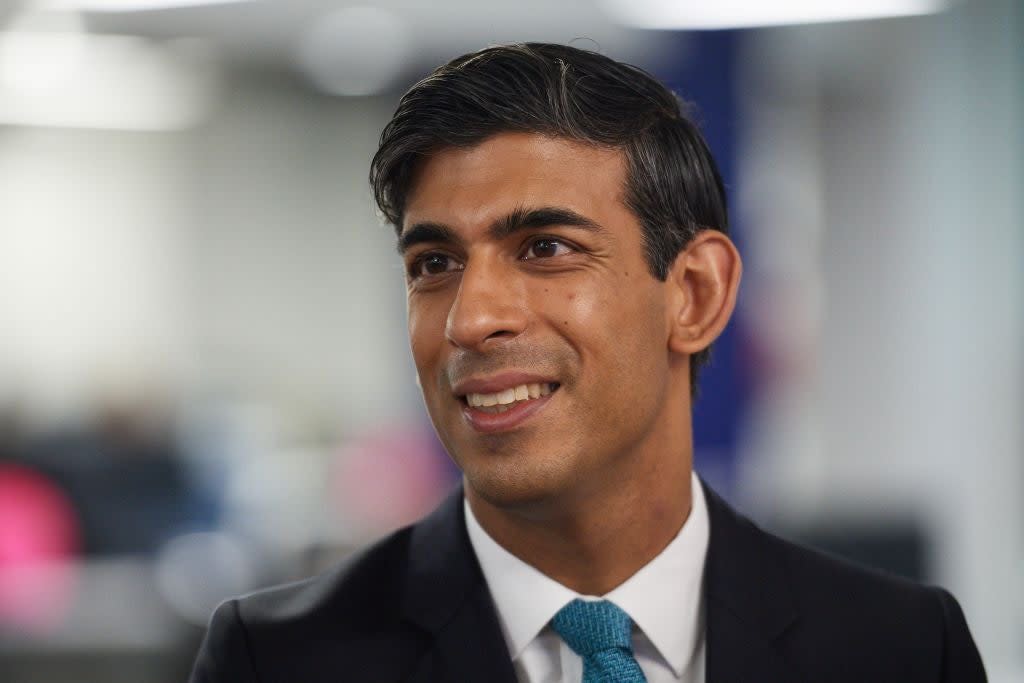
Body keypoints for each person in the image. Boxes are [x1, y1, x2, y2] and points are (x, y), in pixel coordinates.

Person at [189, 42, 986, 682]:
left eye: (545, 248)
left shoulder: (904, 649)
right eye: (434, 264)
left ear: (696, 294)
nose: (472, 319)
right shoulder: (277, 660)